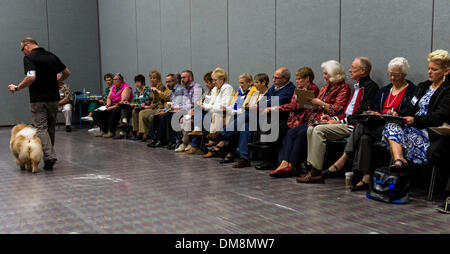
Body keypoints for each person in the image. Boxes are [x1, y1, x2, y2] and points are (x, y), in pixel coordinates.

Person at [324, 57, 416, 191]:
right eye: (389, 74)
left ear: (404, 74)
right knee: (364, 137)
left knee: (362, 129)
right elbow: (373, 106)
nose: (392, 78)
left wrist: (395, 113)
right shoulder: (384, 90)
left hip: (396, 128)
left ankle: (344, 158)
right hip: (378, 124)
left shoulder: (411, 90)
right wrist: (374, 113)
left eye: (396, 75)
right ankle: (366, 177)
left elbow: (410, 109)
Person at [299, 57, 379, 183]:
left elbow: (359, 114)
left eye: (353, 67)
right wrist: (333, 118)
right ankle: (311, 167)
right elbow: (347, 112)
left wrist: (338, 120)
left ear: (363, 71)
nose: (350, 70)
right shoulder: (357, 87)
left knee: (318, 130)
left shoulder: (369, 87)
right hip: (346, 122)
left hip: (354, 126)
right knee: (310, 128)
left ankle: (316, 171)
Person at [269, 60, 350, 178]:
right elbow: (313, 105)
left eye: (326, 74)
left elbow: (338, 109)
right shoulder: (325, 87)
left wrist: (320, 103)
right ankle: (284, 162)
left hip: (327, 119)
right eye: (324, 74)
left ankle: (293, 165)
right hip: (315, 117)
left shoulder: (344, 88)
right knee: (292, 132)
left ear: (334, 74)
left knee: (302, 133)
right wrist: (312, 103)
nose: (324, 77)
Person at [8, 37, 71, 170]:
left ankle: (49, 157)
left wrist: (18, 87)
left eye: (22, 49)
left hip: (38, 99)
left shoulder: (29, 58)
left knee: (41, 128)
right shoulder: (52, 56)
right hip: (54, 99)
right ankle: (49, 155)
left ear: (26, 46)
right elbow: (66, 73)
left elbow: (31, 77)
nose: (23, 52)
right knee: (50, 128)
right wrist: (56, 81)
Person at [383, 50, 450, 173]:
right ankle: (399, 160)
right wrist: (398, 113)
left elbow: (439, 116)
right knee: (391, 124)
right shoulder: (423, 86)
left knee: (396, 136)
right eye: (429, 68)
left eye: (434, 70)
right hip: (414, 125)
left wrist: (416, 120)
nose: (429, 72)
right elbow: (410, 108)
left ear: (446, 71)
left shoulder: (447, 90)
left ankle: (400, 170)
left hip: (430, 130)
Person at [204, 73, 259, 167]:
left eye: (243, 83)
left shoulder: (255, 92)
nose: (240, 85)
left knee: (239, 121)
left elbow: (249, 108)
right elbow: (234, 105)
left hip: (251, 117)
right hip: (240, 119)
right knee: (243, 128)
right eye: (240, 83)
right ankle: (244, 158)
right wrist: (228, 108)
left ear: (250, 82)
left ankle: (222, 137)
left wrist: (235, 110)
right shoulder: (240, 92)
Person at [147, 73, 184, 147]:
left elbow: (176, 105)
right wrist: (163, 110)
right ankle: (155, 138)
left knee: (164, 116)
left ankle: (164, 140)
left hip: (180, 110)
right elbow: (171, 104)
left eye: (169, 82)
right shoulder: (172, 90)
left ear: (175, 81)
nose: (167, 84)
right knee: (156, 116)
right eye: (166, 82)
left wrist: (165, 111)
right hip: (173, 110)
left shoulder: (179, 90)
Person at [173, 70, 203, 153]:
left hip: (196, 111)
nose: (182, 79)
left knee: (187, 120)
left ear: (190, 77)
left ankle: (184, 143)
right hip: (188, 111)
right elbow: (185, 103)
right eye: (181, 78)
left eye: (184, 77)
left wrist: (181, 107)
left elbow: (194, 103)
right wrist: (180, 107)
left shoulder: (197, 87)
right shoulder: (185, 88)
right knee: (181, 119)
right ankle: (188, 143)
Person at [96, 73, 133, 138]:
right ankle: (103, 130)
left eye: (116, 79)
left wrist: (111, 107)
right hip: (113, 105)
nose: (114, 81)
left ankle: (111, 132)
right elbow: (109, 97)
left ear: (120, 80)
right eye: (114, 79)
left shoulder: (126, 87)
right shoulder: (113, 87)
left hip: (122, 107)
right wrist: (108, 105)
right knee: (100, 111)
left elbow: (123, 102)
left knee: (114, 111)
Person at [136, 70, 170, 142]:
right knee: (141, 113)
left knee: (146, 114)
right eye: (151, 78)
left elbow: (160, 100)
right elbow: (150, 98)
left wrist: (150, 106)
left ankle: (148, 134)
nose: (152, 80)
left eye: (154, 78)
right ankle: (145, 133)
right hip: (153, 106)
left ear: (158, 79)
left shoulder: (161, 87)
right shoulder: (152, 87)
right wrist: (145, 103)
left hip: (159, 106)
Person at [130, 74, 151, 140]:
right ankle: (137, 131)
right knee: (134, 111)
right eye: (136, 82)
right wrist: (131, 104)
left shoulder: (147, 90)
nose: (137, 84)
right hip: (138, 107)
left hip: (146, 107)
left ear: (142, 82)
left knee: (140, 112)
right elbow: (134, 101)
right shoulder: (137, 91)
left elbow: (146, 101)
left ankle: (144, 133)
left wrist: (136, 104)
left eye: (138, 82)